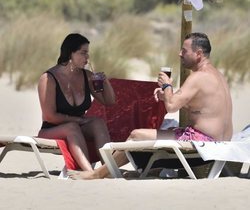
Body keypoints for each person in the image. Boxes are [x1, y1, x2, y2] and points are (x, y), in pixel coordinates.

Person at [68, 32, 233, 179]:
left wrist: (167, 86)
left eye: (184, 50)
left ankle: (98, 173)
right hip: (222, 142)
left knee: (135, 135)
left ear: (198, 54)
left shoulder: (198, 77)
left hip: (203, 143)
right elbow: (202, 108)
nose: (179, 54)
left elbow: (171, 107)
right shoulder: (217, 75)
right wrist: (165, 97)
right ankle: (146, 170)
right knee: (163, 131)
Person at [37, 33, 115, 172]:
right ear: (70, 53)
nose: (87, 58)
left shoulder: (87, 76)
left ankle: (107, 168)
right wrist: (79, 120)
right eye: (83, 53)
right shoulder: (48, 78)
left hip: (77, 127)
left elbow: (109, 101)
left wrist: (105, 81)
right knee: (72, 127)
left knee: (98, 123)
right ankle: (88, 172)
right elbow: (50, 116)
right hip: (51, 129)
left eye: (88, 53)